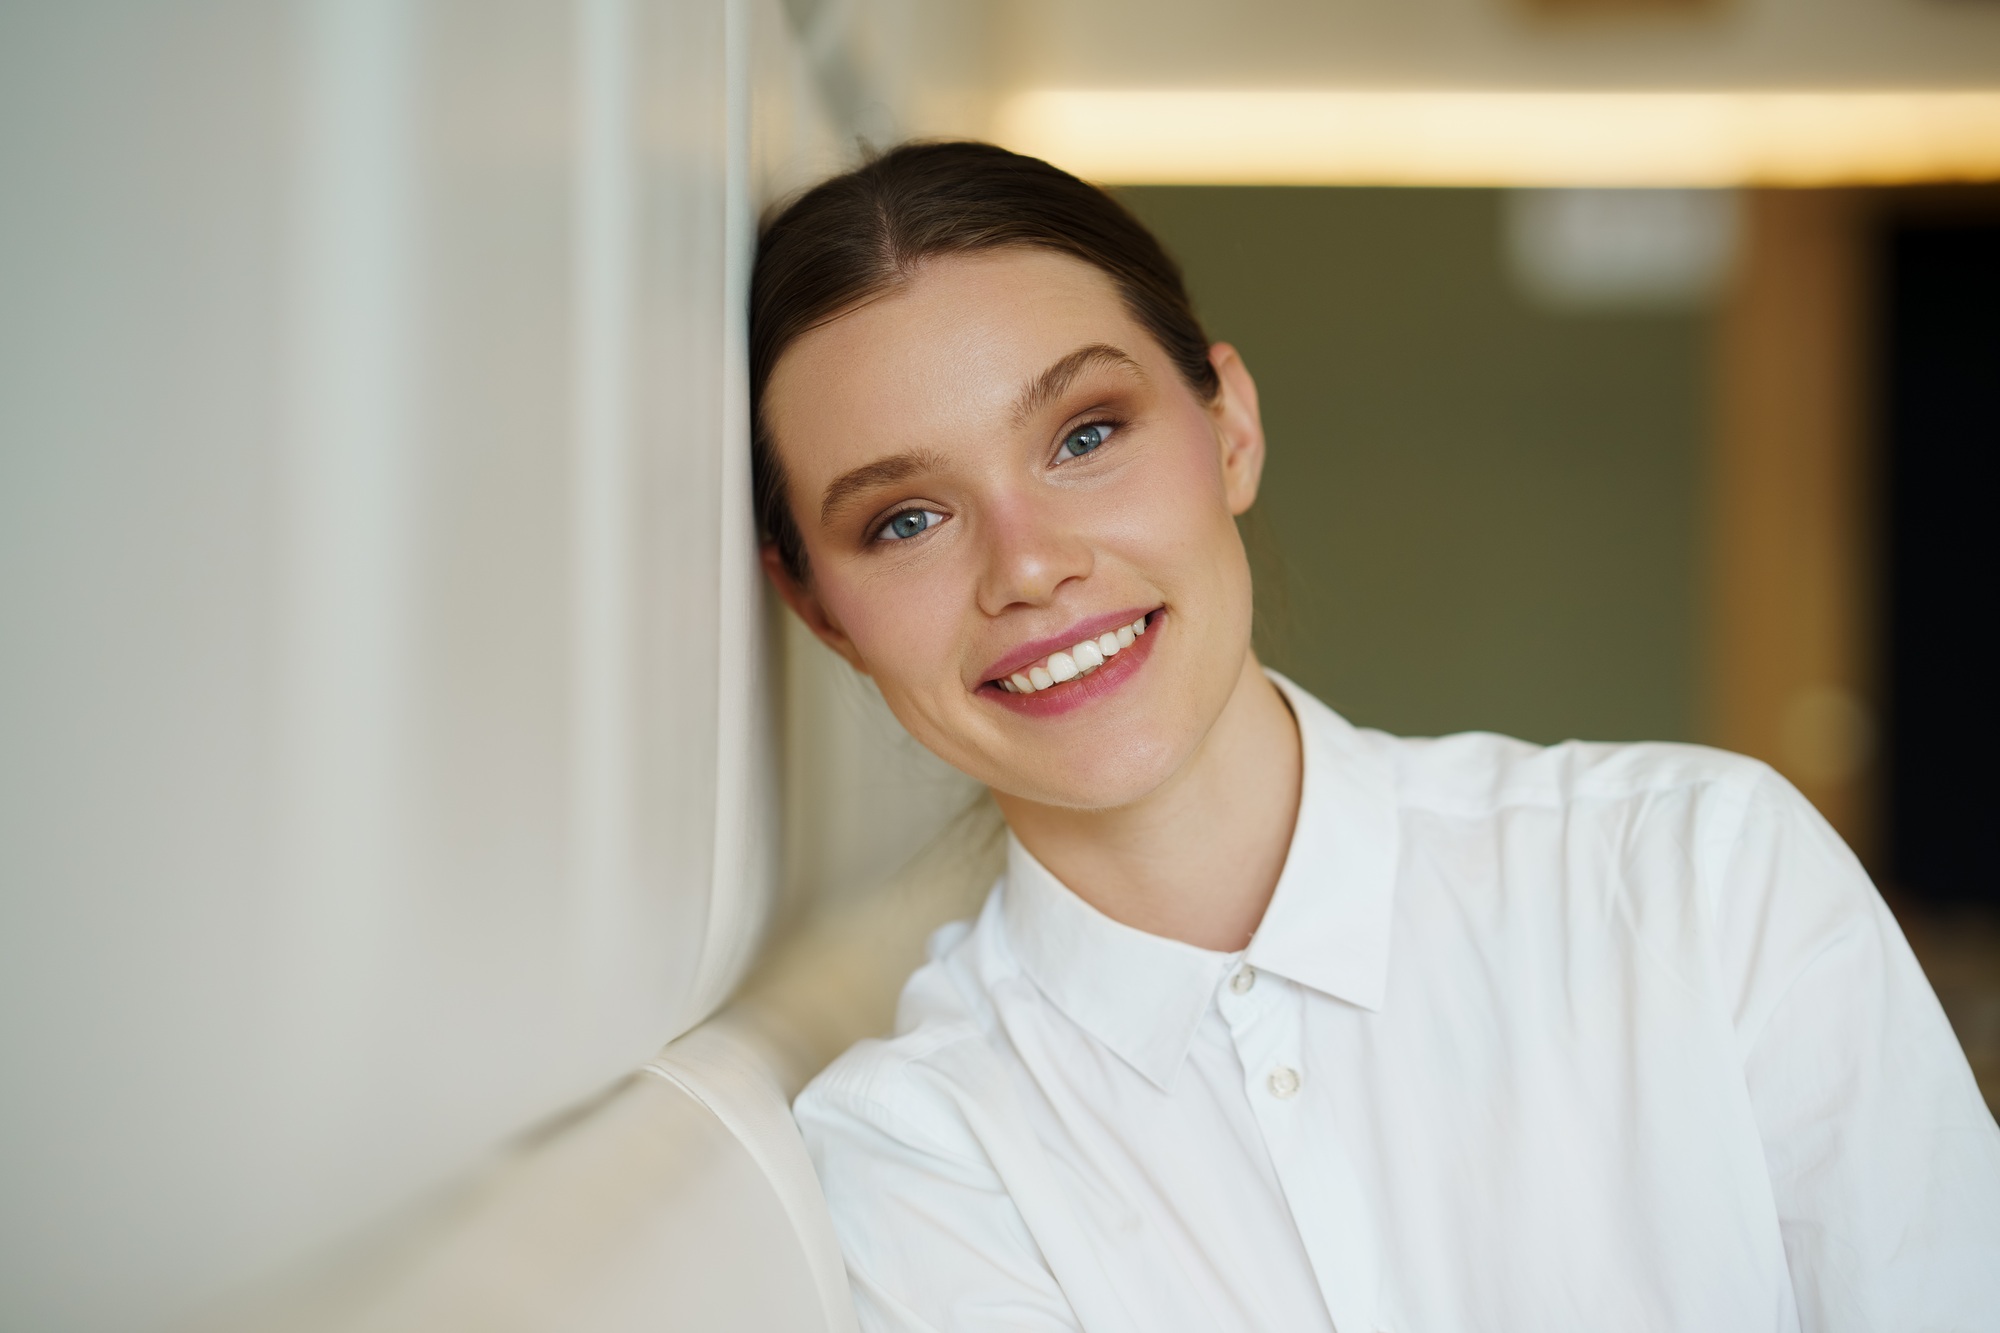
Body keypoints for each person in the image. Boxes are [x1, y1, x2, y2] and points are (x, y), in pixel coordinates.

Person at [750, 141, 2000, 1332]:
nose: (1026, 567)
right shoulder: (918, 1155)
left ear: (1228, 426)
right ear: (818, 608)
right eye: (907, 519)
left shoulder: (1698, 876)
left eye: (1084, 436)